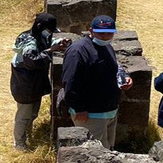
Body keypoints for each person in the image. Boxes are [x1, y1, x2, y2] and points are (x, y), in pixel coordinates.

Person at [60, 15, 132, 149]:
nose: (105, 36)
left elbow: (114, 67)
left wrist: (124, 77)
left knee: (109, 149)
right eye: (101, 33)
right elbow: (70, 81)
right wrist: (79, 108)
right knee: (96, 153)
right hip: (90, 114)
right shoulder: (78, 51)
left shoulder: (107, 47)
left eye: (109, 33)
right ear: (91, 31)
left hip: (109, 110)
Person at [10, 13, 67, 151]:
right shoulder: (30, 42)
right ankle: (19, 144)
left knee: (32, 113)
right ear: (40, 26)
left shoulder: (36, 35)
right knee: (24, 115)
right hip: (25, 84)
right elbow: (32, 61)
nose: (49, 33)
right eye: (49, 30)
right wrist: (51, 50)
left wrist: (57, 44)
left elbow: (44, 43)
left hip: (33, 83)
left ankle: (27, 135)